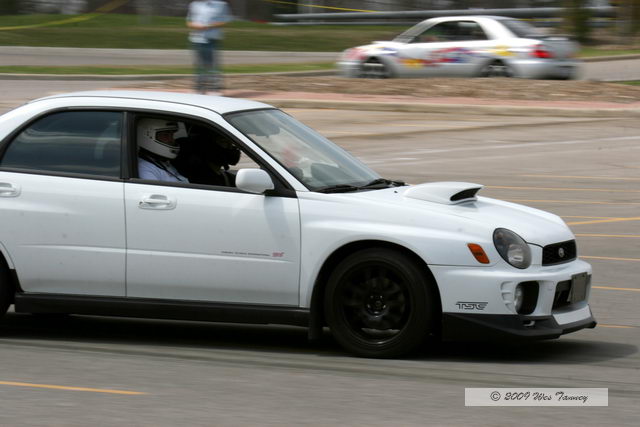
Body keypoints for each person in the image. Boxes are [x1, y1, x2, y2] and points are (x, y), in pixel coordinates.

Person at [186, 0, 232, 94]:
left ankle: (215, 89)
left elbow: (226, 21)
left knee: (213, 65)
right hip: (196, 38)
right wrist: (194, 26)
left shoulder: (221, 5)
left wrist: (208, 26)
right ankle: (199, 89)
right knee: (199, 65)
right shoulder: (194, 4)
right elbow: (189, 21)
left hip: (211, 39)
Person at [137, 118, 189, 183]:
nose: (172, 140)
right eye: (165, 135)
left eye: (172, 135)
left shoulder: (161, 161)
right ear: (148, 136)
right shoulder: (144, 168)